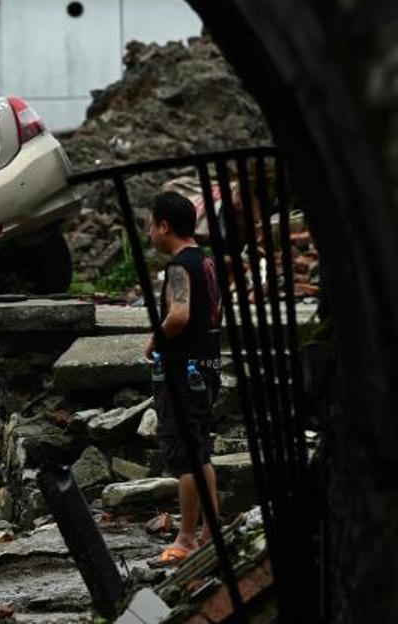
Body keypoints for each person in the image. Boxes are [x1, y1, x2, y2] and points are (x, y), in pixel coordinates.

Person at [144, 191, 223, 564]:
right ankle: (210, 532)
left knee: (185, 457)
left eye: (150, 224)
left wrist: (152, 341)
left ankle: (186, 538)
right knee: (200, 451)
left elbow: (179, 315)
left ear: (164, 225)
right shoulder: (205, 262)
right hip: (206, 369)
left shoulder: (178, 268)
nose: (149, 232)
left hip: (181, 372)